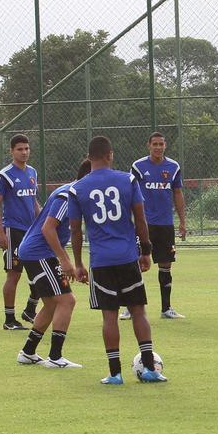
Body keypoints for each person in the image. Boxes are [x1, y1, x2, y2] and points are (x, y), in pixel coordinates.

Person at [68, 135, 166, 384]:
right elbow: (140, 220)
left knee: (109, 316)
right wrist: (146, 251)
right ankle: (150, 369)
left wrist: (78, 263)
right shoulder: (128, 179)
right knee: (138, 311)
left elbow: (75, 230)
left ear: (89, 158)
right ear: (110, 154)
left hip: (101, 260)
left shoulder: (77, 188)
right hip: (127, 256)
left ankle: (115, 373)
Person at [14, 176, 83, 370]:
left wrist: (73, 262)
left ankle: (27, 352)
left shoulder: (73, 193)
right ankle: (55, 357)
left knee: (52, 304)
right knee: (67, 300)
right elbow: (48, 228)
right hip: (39, 253)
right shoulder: (67, 195)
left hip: (38, 251)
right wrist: (64, 259)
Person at [126, 132, 187, 320]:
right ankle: (130, 307)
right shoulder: (138, 167)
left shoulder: (173, 167)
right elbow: (129, 193)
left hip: (165, 224)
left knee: (166, 264)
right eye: (155, 144)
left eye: (161, 144)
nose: (158, 147)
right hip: (144, 224)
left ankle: (166, 308)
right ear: (148, 145)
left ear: (165, 145)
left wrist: (182, 221)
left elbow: (177, 193)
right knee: (135, 263)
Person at [0, 134, 41, 329]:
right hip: (14, 230)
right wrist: (0, 232)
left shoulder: (32, 172)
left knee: (39, 272)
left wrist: (43, 222)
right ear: (12, 151)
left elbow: (34, 201)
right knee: (14, 274)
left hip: (32, 232)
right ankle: (9, 319)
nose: (24, 152)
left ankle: (30, 309)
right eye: (20, 149)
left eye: (27, 148)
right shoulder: (4, 175)